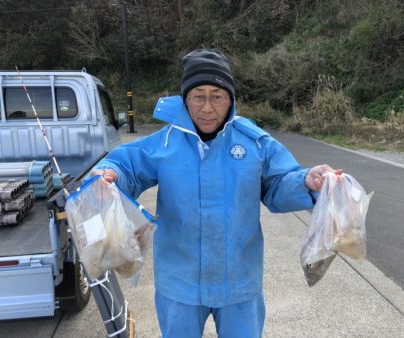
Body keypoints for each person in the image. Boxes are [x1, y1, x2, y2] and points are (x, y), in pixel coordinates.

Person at [91, 48, 342, 338]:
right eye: (198, 95)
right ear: (185, 99)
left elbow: (278, 183)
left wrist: (306, 181)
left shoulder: (255, 142)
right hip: (179, 284)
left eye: (217, 96)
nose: (207, 107)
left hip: (240, 282)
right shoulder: (164, 143)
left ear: (231, 99)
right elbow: (126, 166)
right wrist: (109, 174)